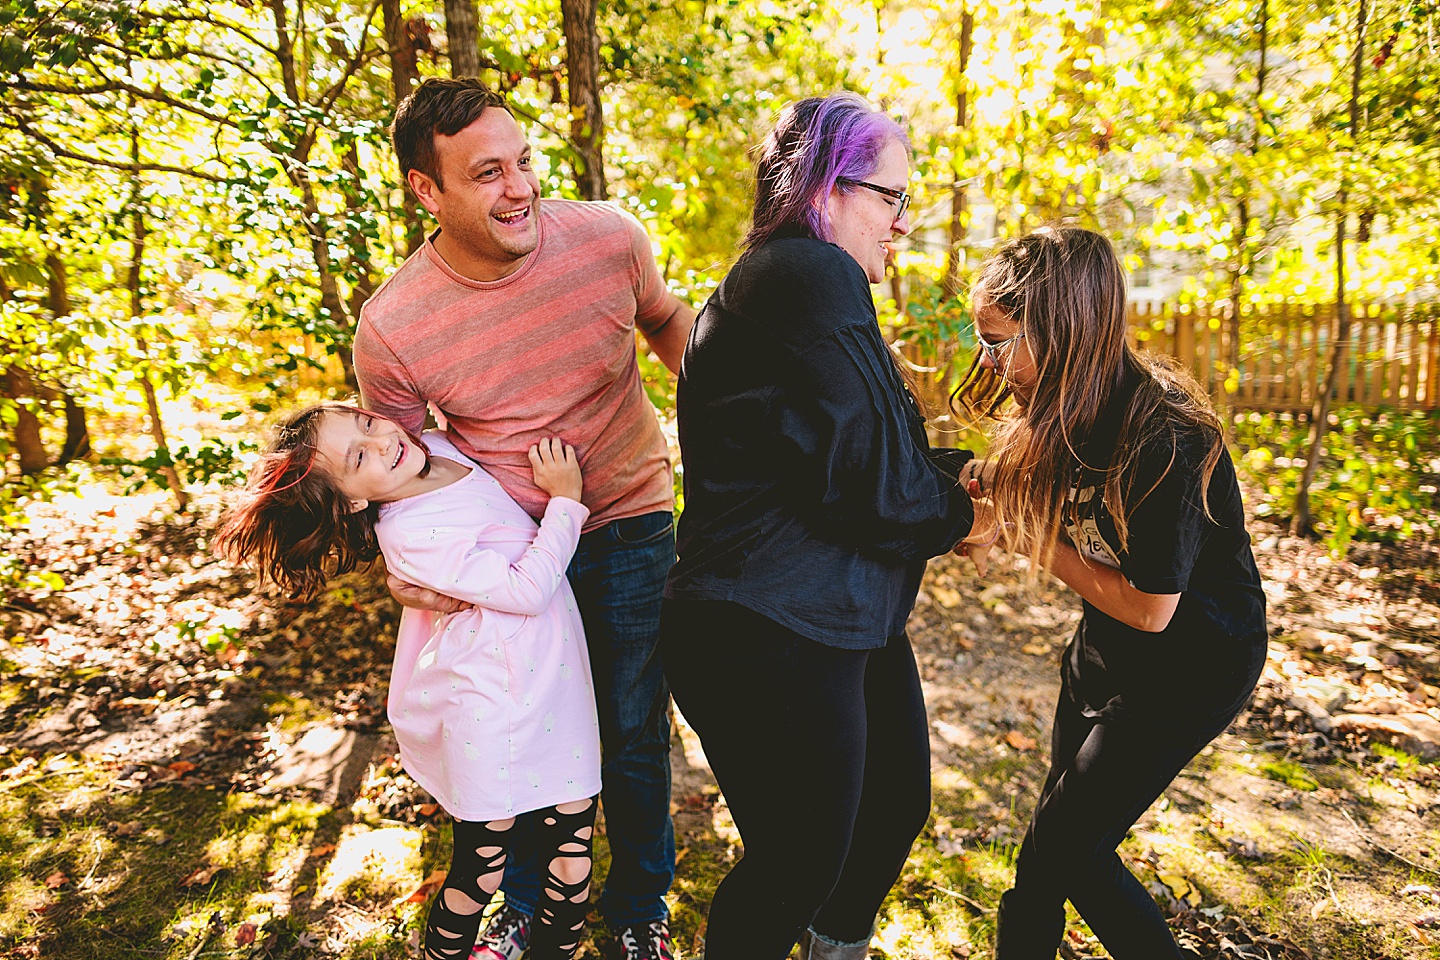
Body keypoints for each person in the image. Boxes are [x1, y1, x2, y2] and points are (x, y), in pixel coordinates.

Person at [353, 78, 695, 960]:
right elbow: (393, 469)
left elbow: (664, 322)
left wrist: (736, 420)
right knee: (517, 737)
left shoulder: (608, 238)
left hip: (626, 522)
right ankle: (521, 909)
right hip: (508, 559)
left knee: (630, 733)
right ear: (428, 191)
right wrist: (396, 570)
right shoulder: (393, 324)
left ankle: (638, 913)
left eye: (525, 162)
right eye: (488, 173)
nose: (521, 188)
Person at [658, 92, 981, 960]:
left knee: (893, 805)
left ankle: (833, 947)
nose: (902, 224)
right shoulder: (805, 273)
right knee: (795, 859)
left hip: (838, 614)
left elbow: (857, 455)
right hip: (764, 625)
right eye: (892, 197)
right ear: (829, 189)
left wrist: (965, 480)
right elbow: (879, 486)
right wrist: (966, 508)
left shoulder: (791, 287)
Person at [954, 227, 1268, 959]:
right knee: (1059, 856)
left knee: (1060, 858)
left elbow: (1152, 608)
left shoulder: (1169, 435)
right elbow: (1002, 521)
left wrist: (1036, 540)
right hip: (1105, 650)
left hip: (1195, 665)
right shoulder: (1061, 411)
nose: (989, 362)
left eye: (999, 342)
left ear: (1063, 332)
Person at [214, 404, 601, 960]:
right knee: (482, 864)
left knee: (572, 857)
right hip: (490, 701)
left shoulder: (440, 449)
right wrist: (566, 501)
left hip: (558, 687)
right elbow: (526, 592)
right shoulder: (412, 531)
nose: (383, 440)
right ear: (350, 499)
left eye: (367, 424)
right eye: (359, 455)